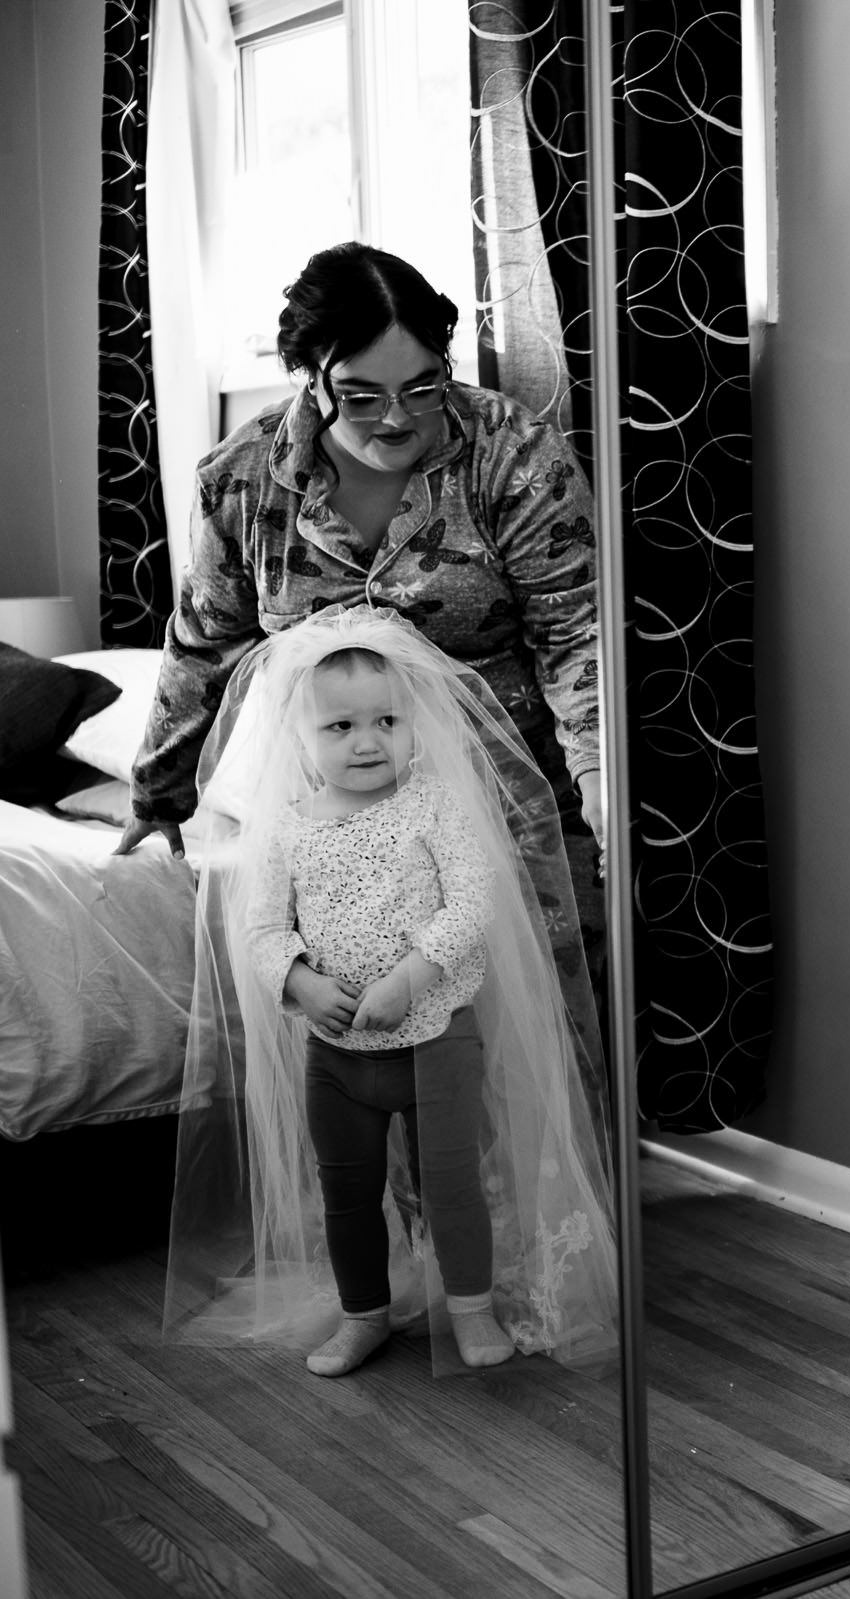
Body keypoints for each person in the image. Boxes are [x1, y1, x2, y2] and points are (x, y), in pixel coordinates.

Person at [115, 241, 608, 1100]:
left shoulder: (513, 458)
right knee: (377, 1068)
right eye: (362, 394)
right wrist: (158, 793)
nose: (398, 417)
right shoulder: (244, 481)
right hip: (337, 828)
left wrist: (599, 770)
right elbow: (205, 640)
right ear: (309, 376)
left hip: (507, 803)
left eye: (424, 385)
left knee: (530, 1067)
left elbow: (575, 636)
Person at [162, 604, 618, 1378]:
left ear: (414, 723)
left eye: (385, 720)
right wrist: (301, 982)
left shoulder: (435, 804)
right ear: (299, 742)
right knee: (346, 1189)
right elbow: (264, 927)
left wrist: (413, 975)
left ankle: (472, 1309)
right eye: (338, 727)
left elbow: (472, 898)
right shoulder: (288, 828)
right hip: (336, 1052)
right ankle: (362, 1313)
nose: (367, 740)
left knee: (452, 1183)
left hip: (436, 1031)